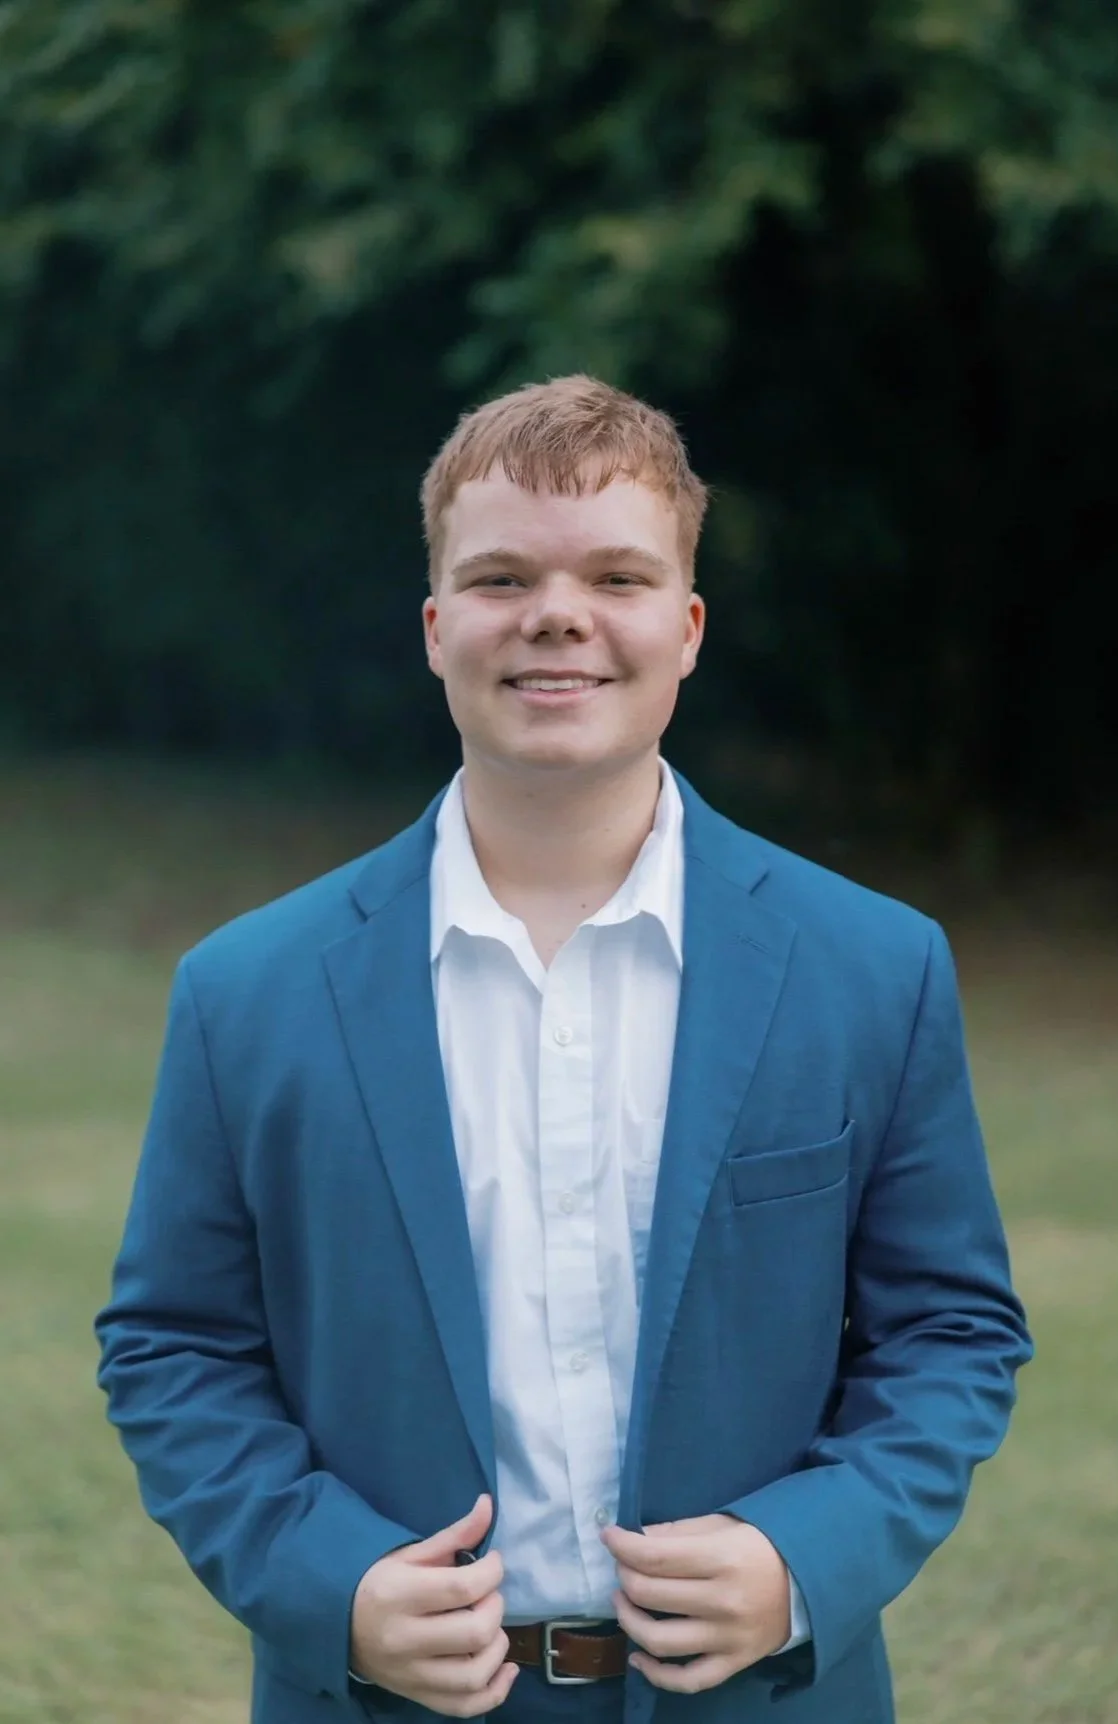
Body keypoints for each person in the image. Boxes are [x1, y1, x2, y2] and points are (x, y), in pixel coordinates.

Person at [95, 374, 1033, 1724]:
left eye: (617, 574)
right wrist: (328, 1584)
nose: (557, 615)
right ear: (434, 629)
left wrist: (803, 1555)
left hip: (762, 1700)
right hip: (384, 1703)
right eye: (499, 577)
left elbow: (949, 1332)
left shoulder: (872, 967)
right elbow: (173, 1347)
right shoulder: (250, 991)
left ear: (690, 626)